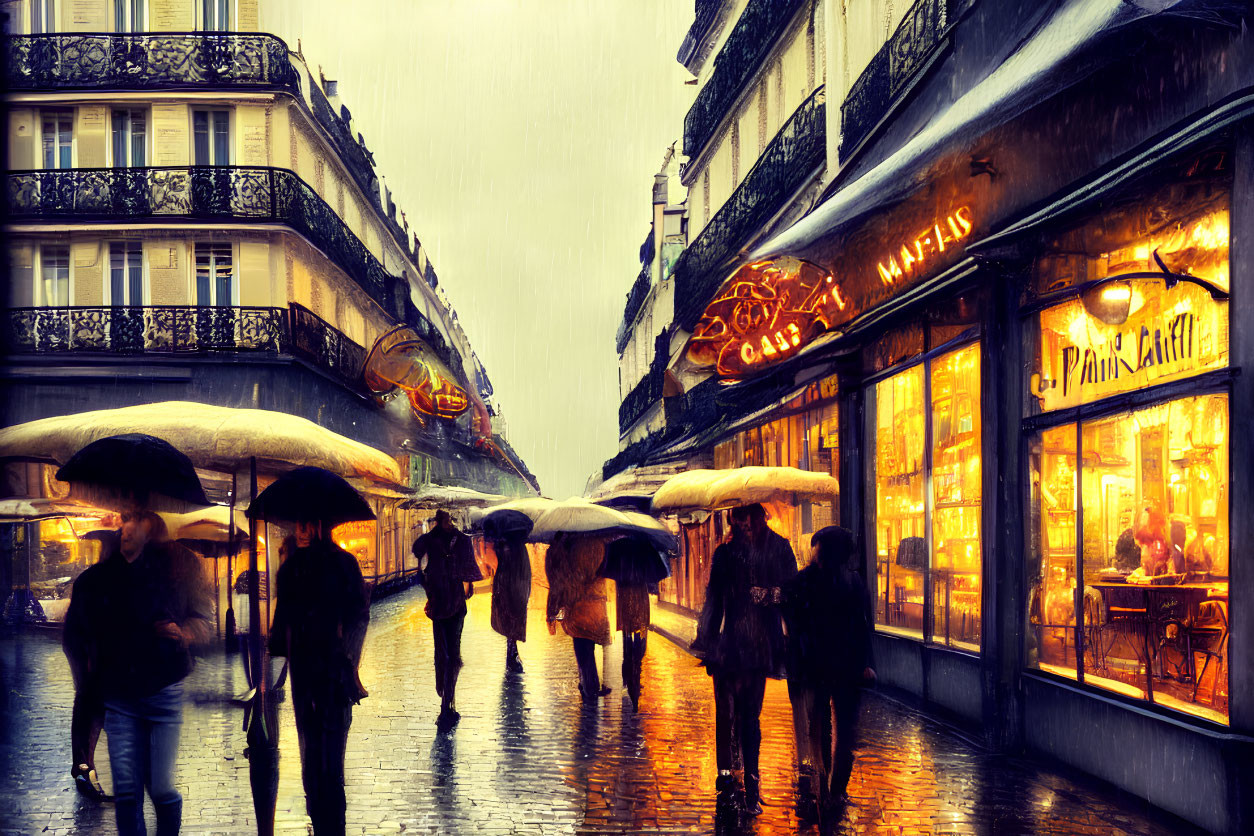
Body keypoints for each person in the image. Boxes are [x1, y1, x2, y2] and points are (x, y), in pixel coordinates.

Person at [64, 506, 212, 836]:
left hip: (163, 688)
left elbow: (204, 622)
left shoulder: (180, 568)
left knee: (159, 788)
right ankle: (83, 766)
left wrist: (184, 632)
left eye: (134, 521)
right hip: (119, 692)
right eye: (123, 522)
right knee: (129, 793)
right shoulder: (100, 580)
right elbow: (80, 632)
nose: (125, 530)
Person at [692, 503, 797, 815]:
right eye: (736, 517)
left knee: (750, 718)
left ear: (758, 515)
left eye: (746, 516)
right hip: (729, 647)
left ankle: (751, 785)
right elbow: (714, 600)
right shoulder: (725, 554)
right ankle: (726, 780)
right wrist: (707, 641)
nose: (742, 523)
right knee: (725, 716)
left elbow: (792, 594)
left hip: (760, 646)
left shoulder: (778, 548)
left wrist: (768, 595)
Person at [269, 519, 370, 836]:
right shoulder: (335, 564)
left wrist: (347, 660)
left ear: (320, 526)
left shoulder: (307, 567)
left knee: (317, 755)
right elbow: (280, 629)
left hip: (325, 671)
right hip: (322, 671)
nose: (300, 530)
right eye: (298, 524)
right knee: (322, 755)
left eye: (307, 524)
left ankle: (325, 819)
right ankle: (327, 822)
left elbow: (280, 629)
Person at [782, 526, 876, 819]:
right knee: (843, 732)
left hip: (820, 664)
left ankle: (827, 787)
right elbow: (864, 626)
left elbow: (789, 609)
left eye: (817, 547)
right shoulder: (853, 581)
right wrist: (866, 663)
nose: (813, 552)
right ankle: (835, 790)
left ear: (823, 550)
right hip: (845, 666)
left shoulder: (809, 580)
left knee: (823, 726)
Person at [62, 527, 119, 801]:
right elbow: (86, 625)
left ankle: (85, 767)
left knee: (94, 702)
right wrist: (91, 658)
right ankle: (83, 768)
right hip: (82, 644)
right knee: (88, 700)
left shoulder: (111, 577)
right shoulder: (95, 579)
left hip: (93, 645)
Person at [413, 510, 482, 727]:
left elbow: (417, 550)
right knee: (453, 653)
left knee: (442, 652)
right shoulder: (461, 540)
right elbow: (470, 577)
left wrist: (432, 532)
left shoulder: (432, 539)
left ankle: (445, 695)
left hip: (438, 603)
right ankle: (447, 701)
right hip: (454, 604)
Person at [545, 532, 612, 702]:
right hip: (596, 605)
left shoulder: (569, 549)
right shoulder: (600, 544)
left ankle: (589, 686)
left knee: (582, 648)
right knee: (589, 647)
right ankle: (590, 684)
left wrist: (553, 609)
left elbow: (560, 580)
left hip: (578, 606)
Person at [487, 522, 532, 674]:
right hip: (516, 588)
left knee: (510, 622)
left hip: (508, 587)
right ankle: (512, 656)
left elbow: (500, 565)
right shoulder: (520, 548)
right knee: (513, 622)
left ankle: (512, 657)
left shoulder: (507, 547)